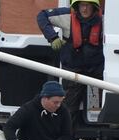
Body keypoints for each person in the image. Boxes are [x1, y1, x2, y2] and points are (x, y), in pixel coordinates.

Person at [37, 0, 104, 132]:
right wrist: (52, 37)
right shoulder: (67, 16)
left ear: (94, 7)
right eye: (81, 5)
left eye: (88, 6)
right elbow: (42, 15)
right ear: (76, 6)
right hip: (73, 71)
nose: (84, 9)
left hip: (96, 71)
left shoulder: (105, 20)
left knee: (100, 108)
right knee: (68, 109)